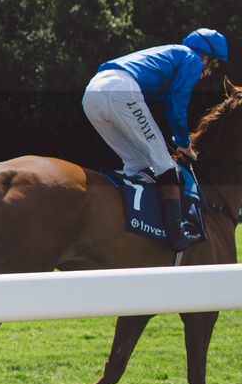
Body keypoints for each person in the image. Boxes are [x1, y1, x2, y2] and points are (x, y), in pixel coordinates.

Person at [82, 28, 229, 251]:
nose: (209, 71)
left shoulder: (174, 55)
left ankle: (137, 227)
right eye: (213, 64)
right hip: (119, 90)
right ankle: (177, 234)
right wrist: (183, 143)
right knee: (164, 163)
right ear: (206, 57)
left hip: (92, 93)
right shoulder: (192, 59)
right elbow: (175, 106)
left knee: (137, 164)